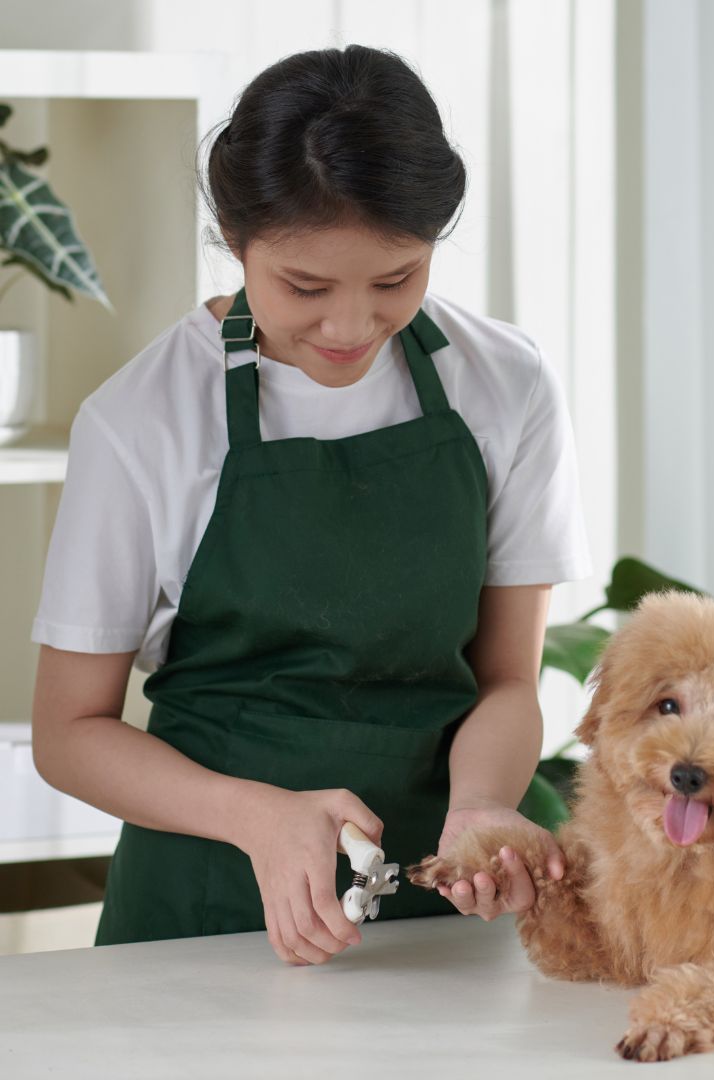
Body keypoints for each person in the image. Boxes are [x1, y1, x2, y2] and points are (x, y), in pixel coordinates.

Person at [29, 44, 591, 966]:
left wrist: (484, 808)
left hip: (447, 915)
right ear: (233, 236)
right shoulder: (143, 419)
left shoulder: (505, 385)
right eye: (305, 287)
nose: (350, 327)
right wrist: (253, 815)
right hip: (208, 910)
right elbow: (69, 732)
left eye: (396, 280)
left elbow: (508, 679)